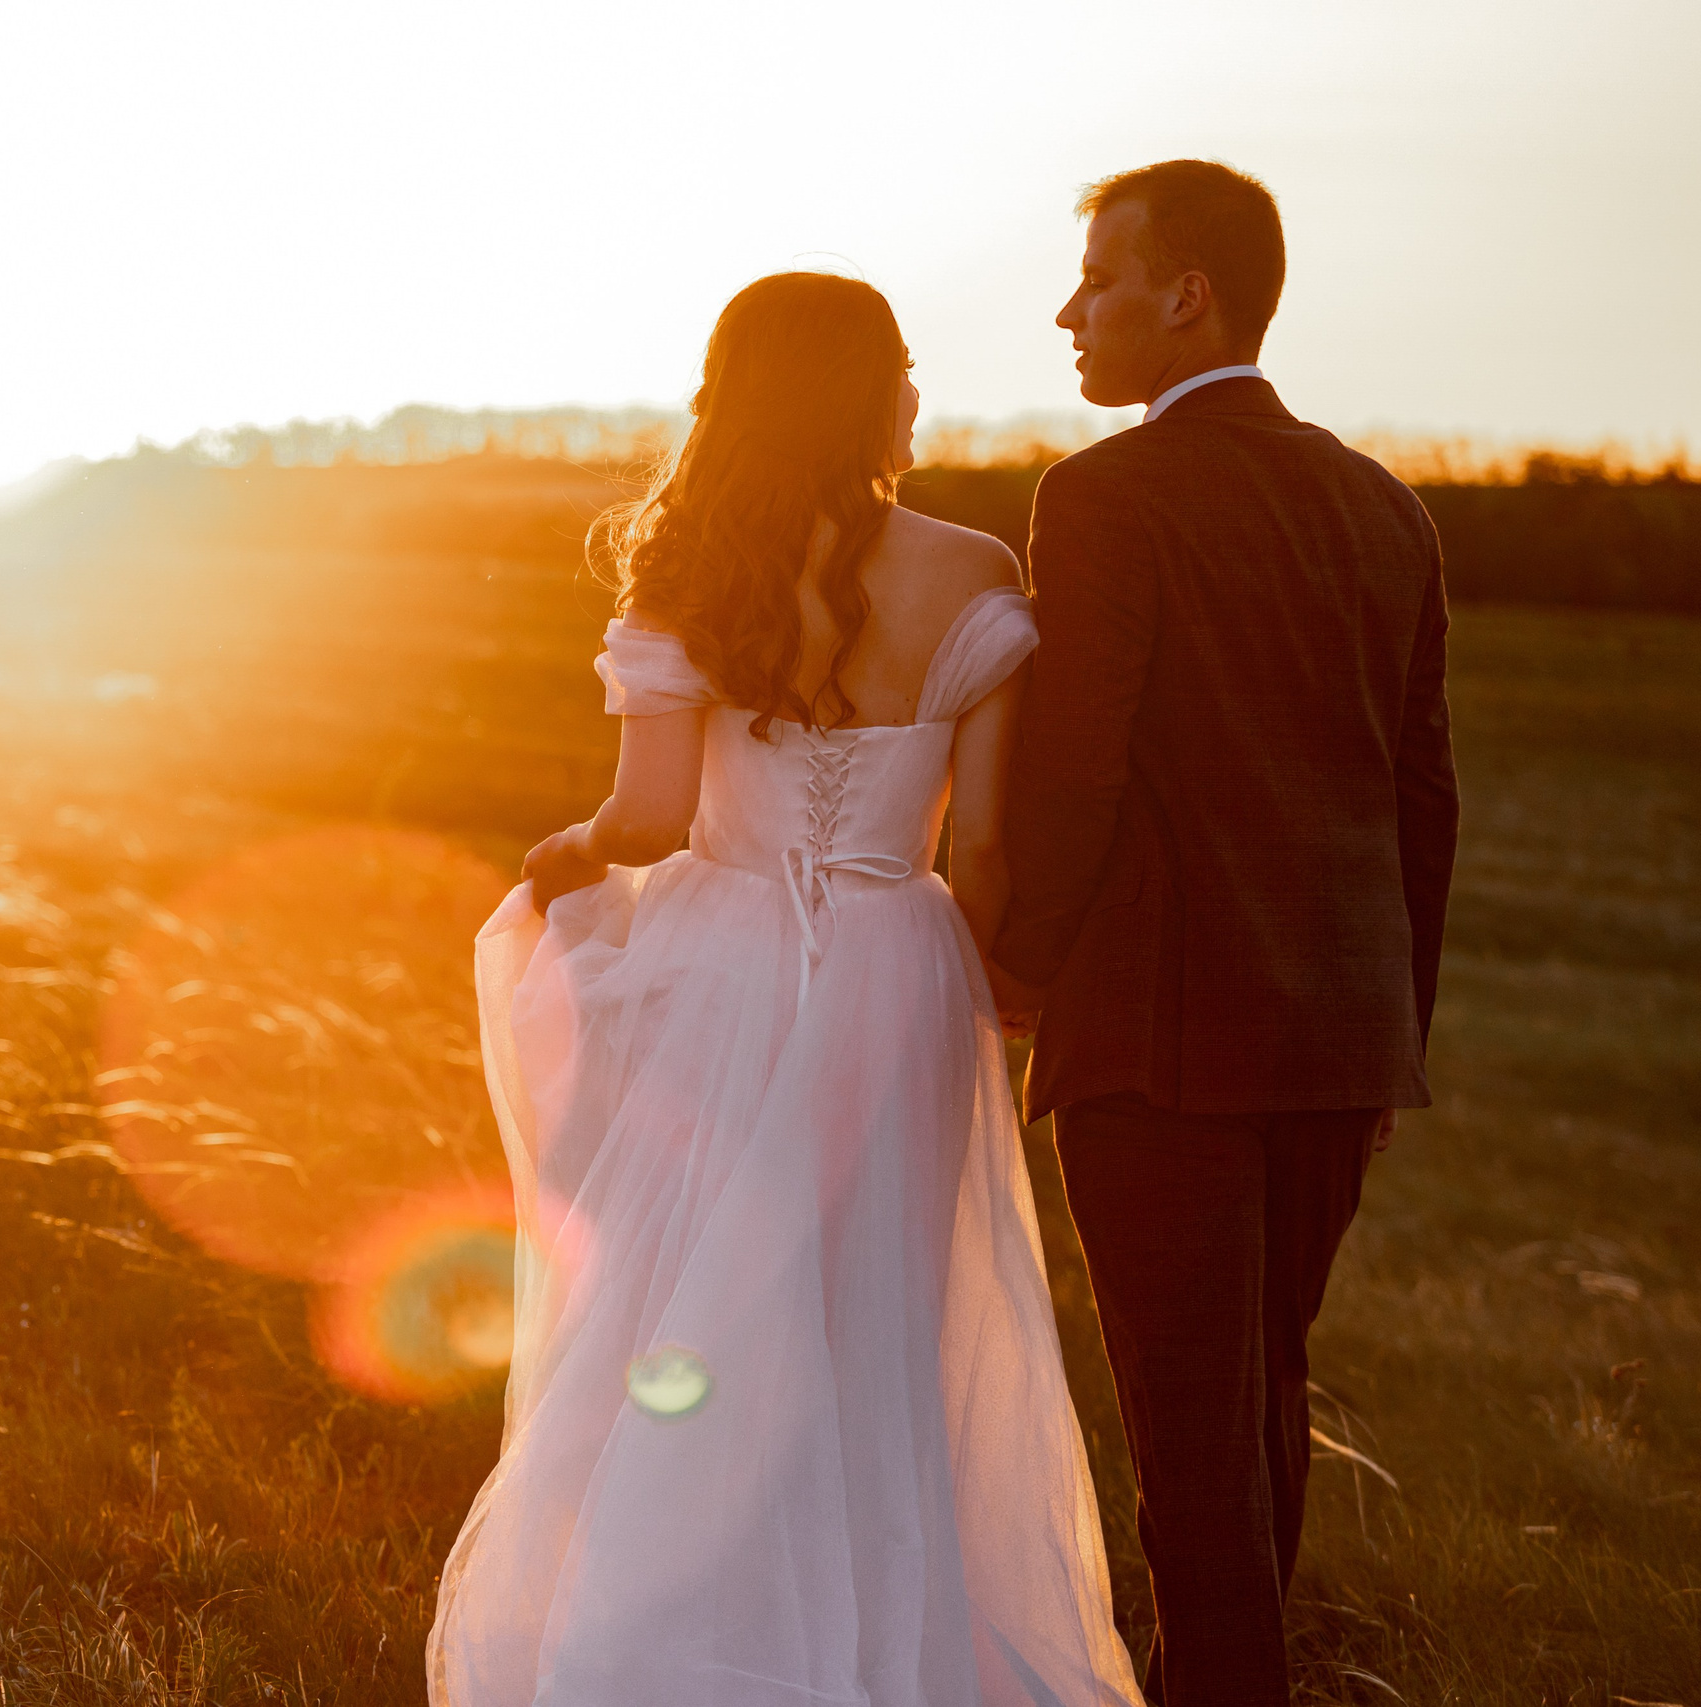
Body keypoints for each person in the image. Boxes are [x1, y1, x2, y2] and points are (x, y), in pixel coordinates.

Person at [430, 271, 1143, 1706]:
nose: (920, 392)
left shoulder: (694, 567)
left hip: (720, 956)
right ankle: (881, 1636)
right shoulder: (975, 574)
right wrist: (978, 981)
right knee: (883, 1312)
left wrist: (554, 861)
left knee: (685, 1296)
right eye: (906, 366)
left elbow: (644, 820)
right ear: (869, 390)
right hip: (900, 961)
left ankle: (677, 1629)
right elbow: (987, 847)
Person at [989, 160, 1459, 1705]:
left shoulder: (1105, 497)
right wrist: (1396, 1036)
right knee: (1256, 1410)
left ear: (1188, 296)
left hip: (1160, 1044)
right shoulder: (1383, 507)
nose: (1070, 311)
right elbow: (1420, 804)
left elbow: (1075, 764)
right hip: (1337, 1041)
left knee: (1196, 1451)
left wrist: (1011, 966)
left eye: (1101, 281)